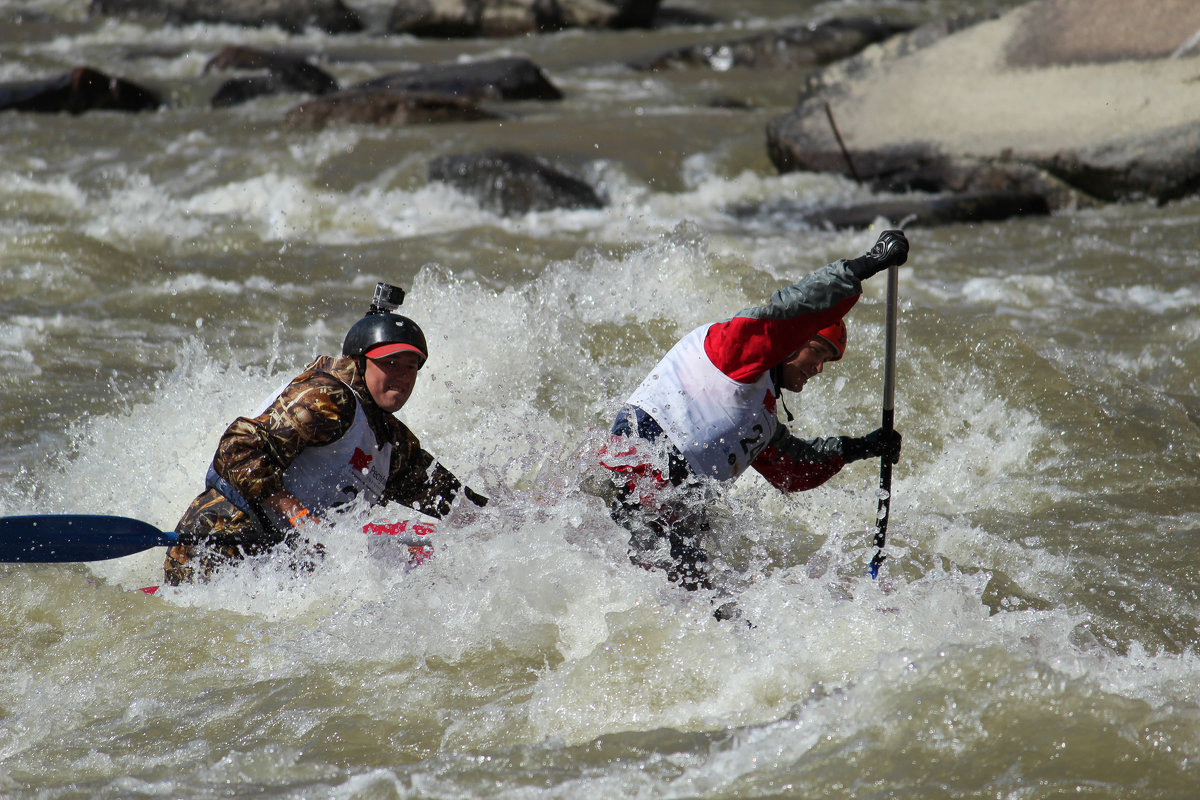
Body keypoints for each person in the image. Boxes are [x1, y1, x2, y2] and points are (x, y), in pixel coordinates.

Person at [595, 230, 908, 599]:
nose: (819, 370)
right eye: (818, 354)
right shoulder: (735, 350)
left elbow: (793, 470)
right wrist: (867, 264)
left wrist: (864, 448)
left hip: (670, 511)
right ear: (795, 341)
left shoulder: (762, 415)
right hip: (638, 479)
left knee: (714, 612)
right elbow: (796, 307)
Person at [164, 283, 486, 585]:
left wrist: (517, 516)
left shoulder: (393, 444)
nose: (402, 377)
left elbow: (454, 503)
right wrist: (298, 514)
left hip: (276, 564)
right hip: (219, 541)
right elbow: (237, 446)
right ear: (361, 362)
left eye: (411, 367)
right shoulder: (328, 399)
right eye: (390, 363)